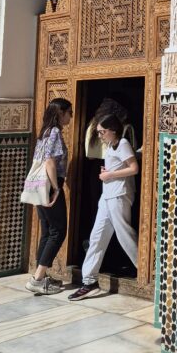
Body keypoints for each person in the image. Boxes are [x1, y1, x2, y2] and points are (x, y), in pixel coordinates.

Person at [68, 112, 139, 300]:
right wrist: (108, 172)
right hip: (107, 195)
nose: (100, 135)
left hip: (119, 195)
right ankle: (89, 281)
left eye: (102, 132)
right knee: (97, 236)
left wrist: (110, 175)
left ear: (113, 130)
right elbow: (118, 168)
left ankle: (148, 270)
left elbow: (134, 168)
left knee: (125, 235)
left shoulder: (122, 144)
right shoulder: (110, 146)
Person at [25, 97, 73, 295]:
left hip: (37, 185)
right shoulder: (53, 132)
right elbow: (50, 162)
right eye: (69, 112)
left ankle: (40, 275)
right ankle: (37, 279)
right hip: (48, 185)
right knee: (58, 231)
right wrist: (56, 188)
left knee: (47, 230)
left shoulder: (44, 132)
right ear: (60, 113)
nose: (71, 116)